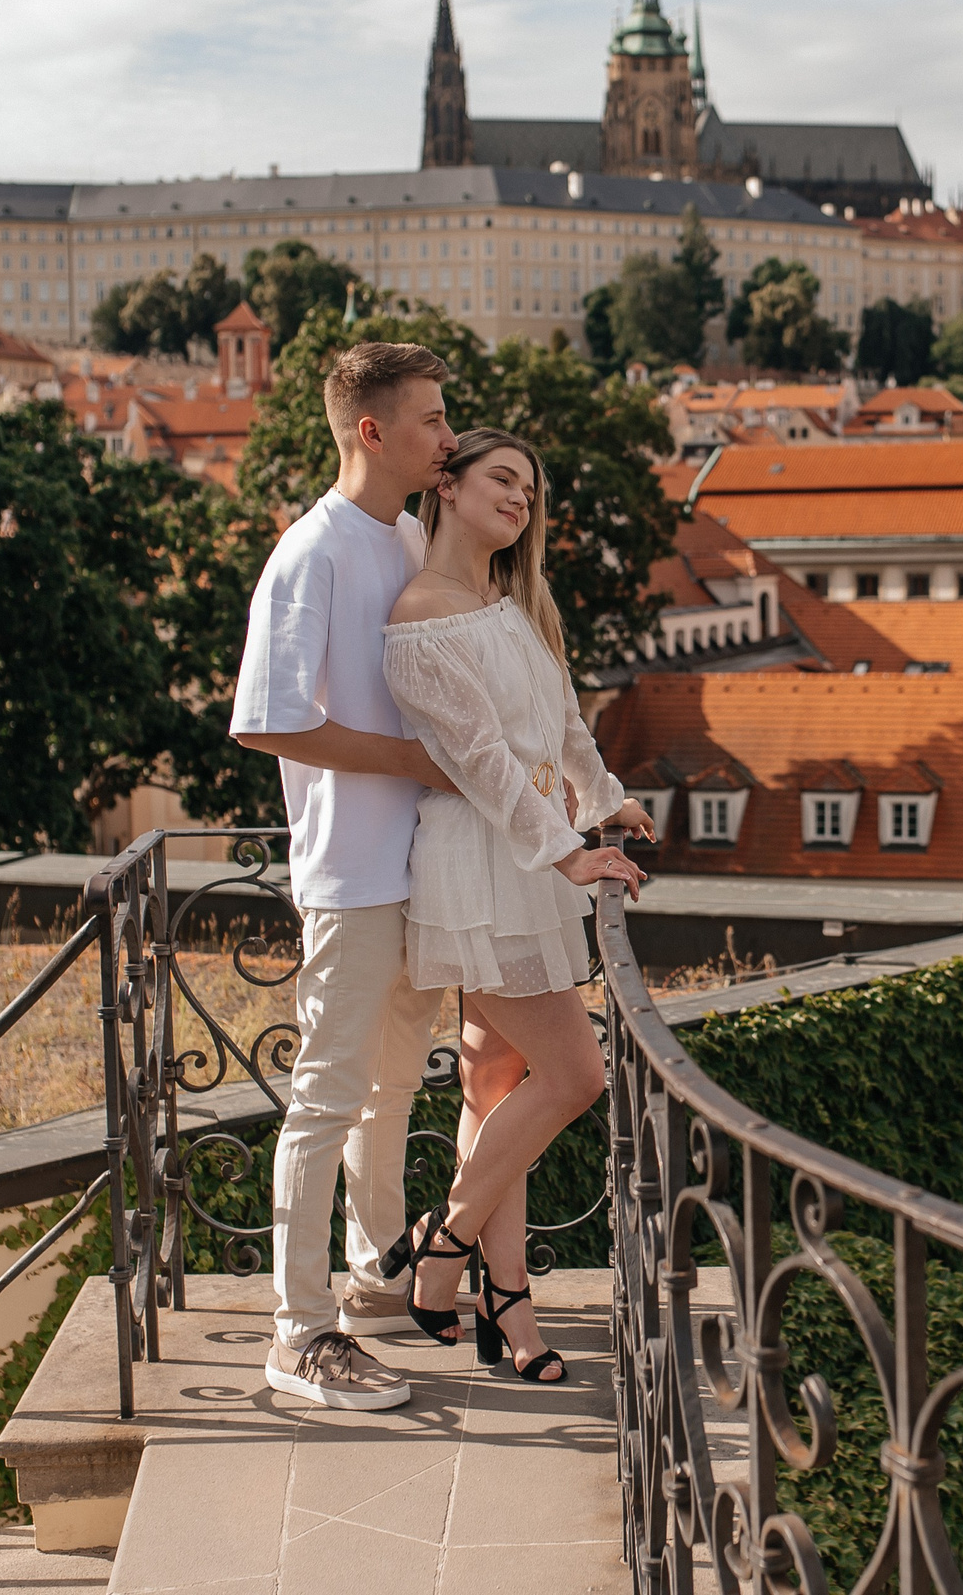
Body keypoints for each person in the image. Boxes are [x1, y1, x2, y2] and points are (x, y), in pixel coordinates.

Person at [379, 427, 652, 1384]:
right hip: (480, 863)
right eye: (503, 480)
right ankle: (442, 1239)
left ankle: (508, 1303)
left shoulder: (511, 603)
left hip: (527, 859)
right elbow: (482, 766)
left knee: (496, 1088)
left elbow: (563, 722)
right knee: (577, 1073)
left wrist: (602, 793)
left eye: (531, 491)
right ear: (446, 486)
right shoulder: (419, 616)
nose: (520, 500)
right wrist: (570, 850)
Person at [228, 341, 462, 1411]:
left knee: (394, 1083)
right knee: (325, 1097)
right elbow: (268, 719)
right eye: (428, 419)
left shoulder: (407, 531)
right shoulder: (313, 552)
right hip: (351, 870)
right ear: (371, 431)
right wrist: (410, 761)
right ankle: (299, 1330)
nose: (447, 437)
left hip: (416, 862)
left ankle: (374, 1267)